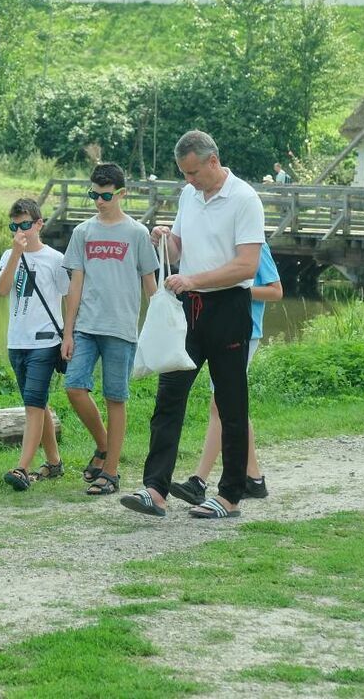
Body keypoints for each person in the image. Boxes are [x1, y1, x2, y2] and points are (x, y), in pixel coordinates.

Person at [120, 130, 264, 520]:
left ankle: (231, 495)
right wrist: (163, 240)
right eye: (184, 174)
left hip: (229, 306)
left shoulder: (245, 199)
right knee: (169, 395)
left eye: (193, 172)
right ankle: (155, 488)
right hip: (189, 305)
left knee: (231, 403)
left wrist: (194, 280)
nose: (188, 180)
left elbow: (247, 265)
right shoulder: (189, 195)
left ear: (213, 162)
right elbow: (179, 250)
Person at [61, 163, 158, 497]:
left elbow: (151, 285)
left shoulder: (137, 234)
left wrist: (159, 328)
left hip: (121, 328)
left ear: (121, 194)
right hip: (86, 326)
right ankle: (104, 446)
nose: (99, 201)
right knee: (73, 387)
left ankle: (112, 472)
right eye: (94, 195)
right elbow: (75, 285)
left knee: (115, 398)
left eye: (105, 195)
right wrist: (68, 332)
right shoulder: (82, 233)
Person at [169, 242, 283, 506]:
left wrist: (234, 290)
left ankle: (199, 480)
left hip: (244, 329)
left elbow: (276, 291)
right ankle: (253, 478)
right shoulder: (218, 244)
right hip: (215, 328)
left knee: (222, 404)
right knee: (230, 405)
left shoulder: (256, 246)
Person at [0, 198, 68, 489]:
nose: (21, 231)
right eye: (15, 226)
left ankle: (22, 468)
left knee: (33, 404)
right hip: (17, 341)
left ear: (39, 224)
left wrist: (69, 336)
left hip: (46, 341)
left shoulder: (55, 259)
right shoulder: (8, 255)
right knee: (37, 402)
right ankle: (54, 462)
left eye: (26, 224)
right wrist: (15, 253)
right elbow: (1, 290)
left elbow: (69, 297)